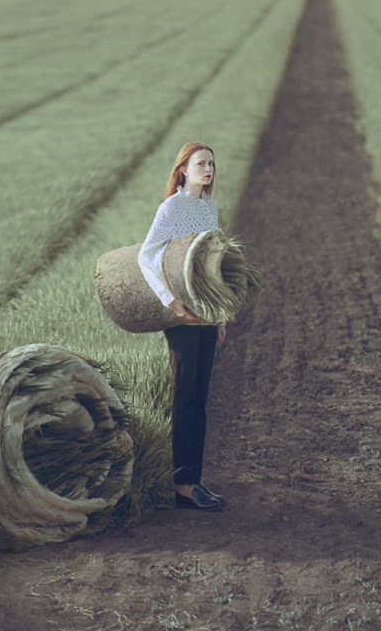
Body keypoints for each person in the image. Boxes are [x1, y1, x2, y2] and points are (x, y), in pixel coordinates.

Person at [138, 142, 226, 510]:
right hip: (182, 317)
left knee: (201, 399)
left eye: (211, 164)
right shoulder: (171, 208)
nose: (208, 170)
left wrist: (221, 317)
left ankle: (196, 480)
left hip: (206, 314)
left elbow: (214, 264)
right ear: (184, 170)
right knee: (185, 399)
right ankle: (182, 486)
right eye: (200, 164)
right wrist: (171, 303)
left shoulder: (209, 207)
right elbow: (147, 254)